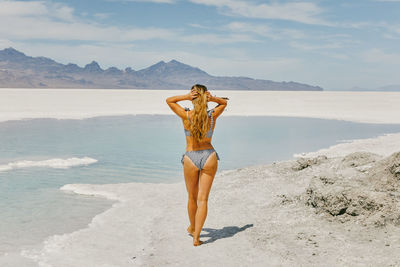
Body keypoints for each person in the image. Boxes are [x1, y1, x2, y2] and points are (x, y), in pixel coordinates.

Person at [165, 84, 227, 246]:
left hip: (191, 157)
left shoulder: (186, 115)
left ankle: (193, 228)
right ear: (205, 97)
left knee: (192, 197)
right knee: (203, 200)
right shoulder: (212, 115)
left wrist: (186, 97)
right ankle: (196, 237)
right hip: (209, 156)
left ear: (193, 97)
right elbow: (224, 103)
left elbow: (169, 100)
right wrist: (212, 99)